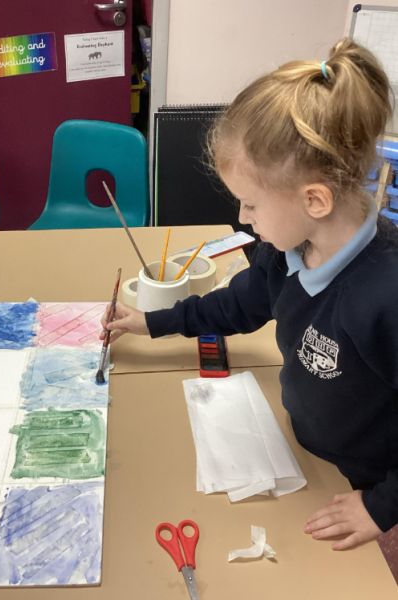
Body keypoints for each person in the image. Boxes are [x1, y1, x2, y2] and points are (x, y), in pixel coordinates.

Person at [101, 38, 398, 551]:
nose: (242, 218)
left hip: (361, 487)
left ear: (315, 200)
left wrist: (382, 506)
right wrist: (152, 322)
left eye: (251, 205)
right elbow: (236, 305)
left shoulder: (385, 296)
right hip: (305, 452)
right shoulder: (287, 249)